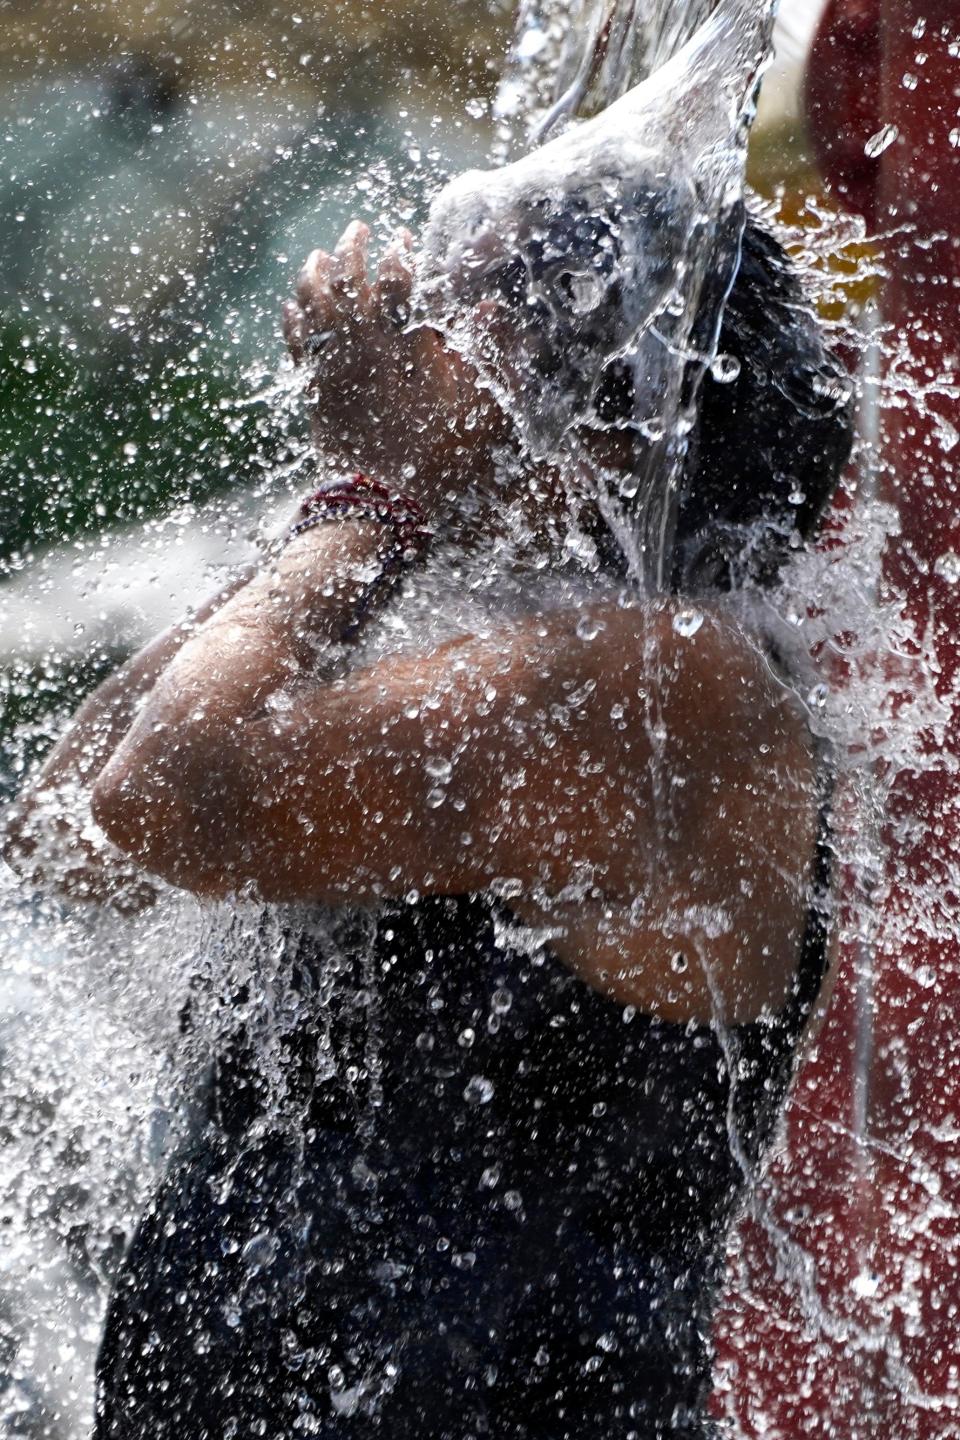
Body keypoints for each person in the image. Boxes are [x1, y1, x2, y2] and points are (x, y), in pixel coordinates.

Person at [5, 200, 852, 1438]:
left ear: (604, 429)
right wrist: (365, 507)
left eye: (462, 318)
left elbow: (169, 795)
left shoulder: (671, 688)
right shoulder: (485, 630)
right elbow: (71, 833)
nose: (412, 338)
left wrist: (377, 489)